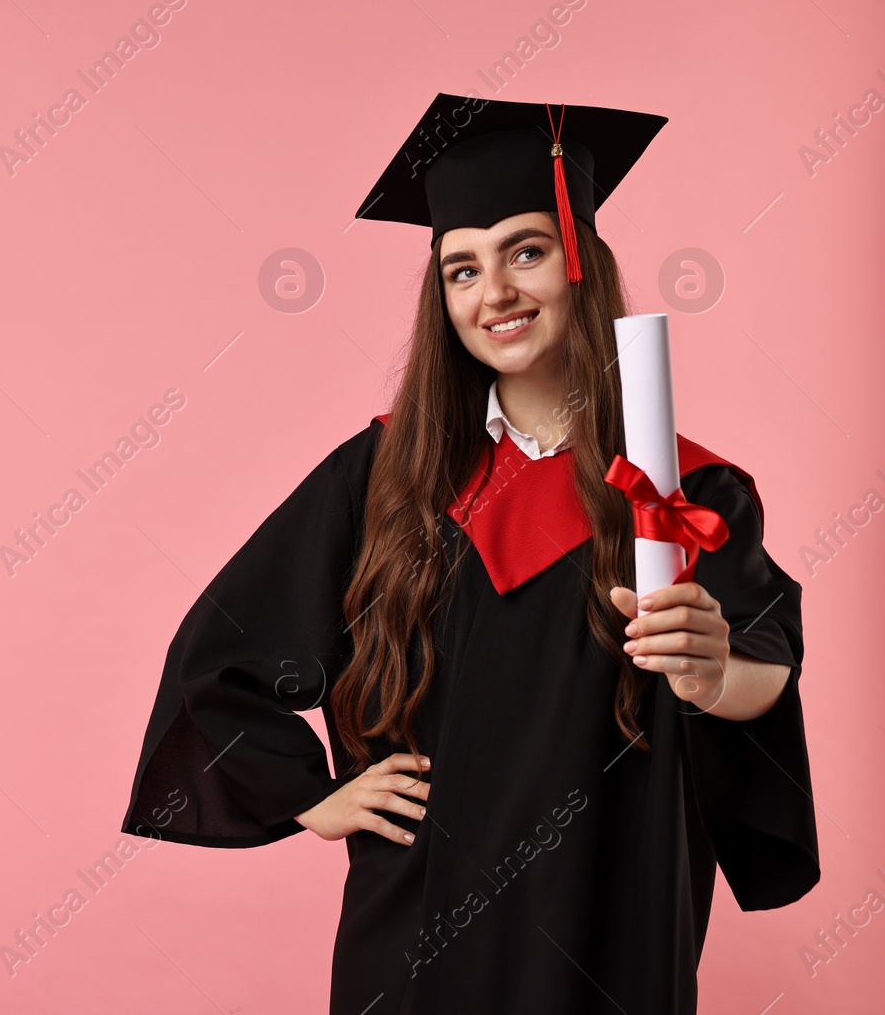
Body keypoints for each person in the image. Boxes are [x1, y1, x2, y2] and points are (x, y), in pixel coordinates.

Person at [119, 93, 819, 1014]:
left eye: (526, 251)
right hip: (417, 924)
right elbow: (222, 651)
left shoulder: (690, 493)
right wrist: (308, 797)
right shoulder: (381, 478)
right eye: (461, 270)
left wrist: (710, 671)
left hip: (613, 914)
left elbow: (764, 668)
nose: (493, 294)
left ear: (580, 262)